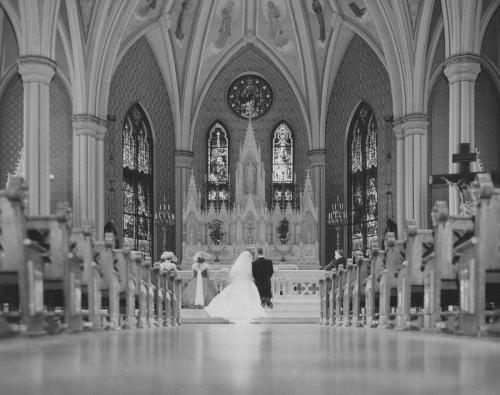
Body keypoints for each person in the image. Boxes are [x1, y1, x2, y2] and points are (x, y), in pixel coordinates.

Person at [205, 251, 266, 323]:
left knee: (235, 298)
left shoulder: (239, 266)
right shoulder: (249, 266)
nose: (250, 259)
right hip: (246, 283)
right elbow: (250, 277)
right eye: (250, 258)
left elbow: (232, 276)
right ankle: (245, 313)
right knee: (247, 298)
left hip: (238, 283)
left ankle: (236, 313)